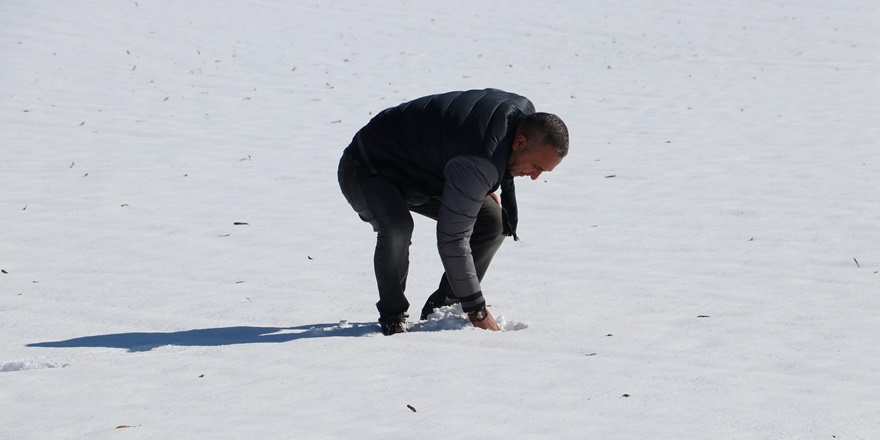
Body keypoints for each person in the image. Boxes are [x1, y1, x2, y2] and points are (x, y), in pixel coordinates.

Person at [337, 88, 569, 335]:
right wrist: (477, 310)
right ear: (520, 142)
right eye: (535, 166)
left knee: (492, 223)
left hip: (423, 174)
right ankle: (393, 318)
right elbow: (453, 239)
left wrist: (481, 180)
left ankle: (445, 305)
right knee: (397, 228)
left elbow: (472, 147)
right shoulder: (481, 158)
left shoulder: (522, 119)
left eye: (543, 171)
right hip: (368, 166)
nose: (535, 177)